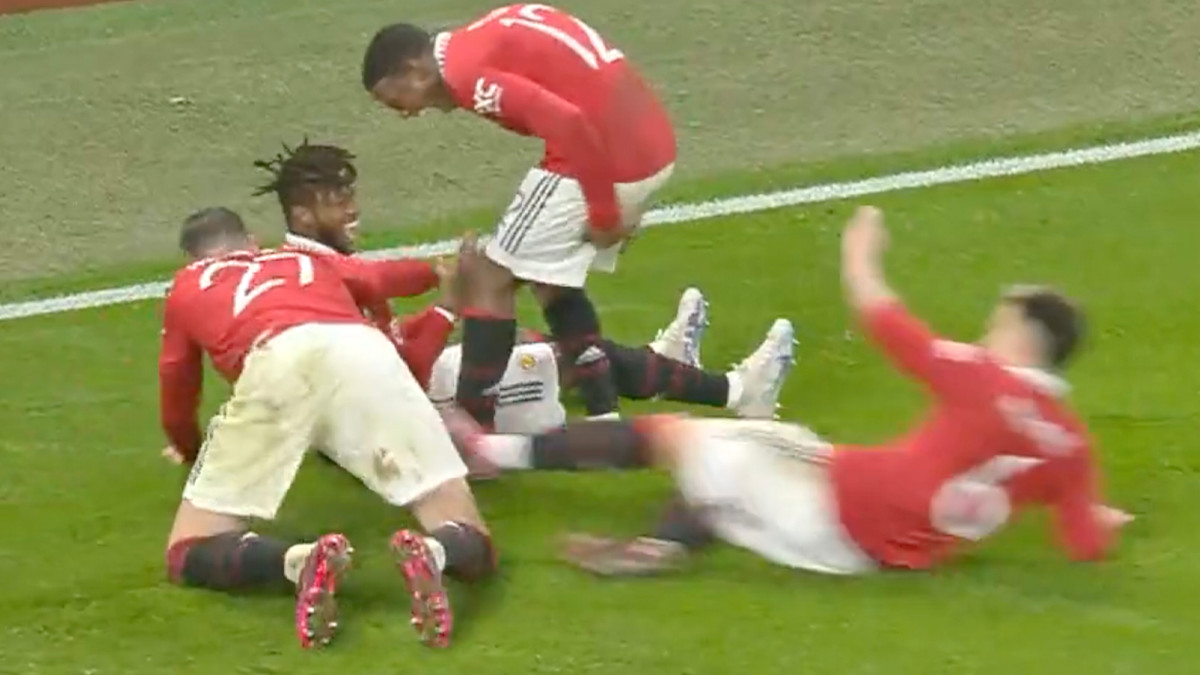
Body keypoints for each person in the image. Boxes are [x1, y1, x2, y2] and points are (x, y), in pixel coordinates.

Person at [452, 206, 1134, 577]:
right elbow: (1084, 542)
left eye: (1000, 323)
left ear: (1023, 337)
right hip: (883, 537)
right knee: (738, 452)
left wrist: (860, 251)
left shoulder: (985, 378)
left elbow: (888, 323)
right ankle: (668, 542)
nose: (989, 331)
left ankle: (488, 452)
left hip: (843, 507)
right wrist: (1098, 516)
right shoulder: (1071, 447)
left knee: (671, 436)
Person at [158, 208, 495, 650]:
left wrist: (188, 448)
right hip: (365, 353)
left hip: (275, 362)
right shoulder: (303, 258)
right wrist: (438, 273)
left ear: (192, 257)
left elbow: (177, 384)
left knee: (189, 547)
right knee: (459, 520)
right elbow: (377, 279)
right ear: (252, 240)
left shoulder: (186, 286)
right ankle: (435, 552)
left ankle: (299, 562)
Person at [361, 3, 677, 429]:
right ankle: (605, 417)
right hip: (646, 139)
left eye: (395, 100)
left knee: (489, 277)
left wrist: (604, 214)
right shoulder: (481, 35)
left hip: (608, 152)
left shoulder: (466, 75)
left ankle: (474, 429)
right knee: (547, 277)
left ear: (414, 70)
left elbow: (568, 121)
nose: (406, 112)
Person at [429, 287, 796, 467]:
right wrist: (443, 311)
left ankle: (661, 362)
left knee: (527, 340)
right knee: (561, 354)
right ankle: (736, 392)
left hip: (430, 387)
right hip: (437, 409)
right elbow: (408, 360)